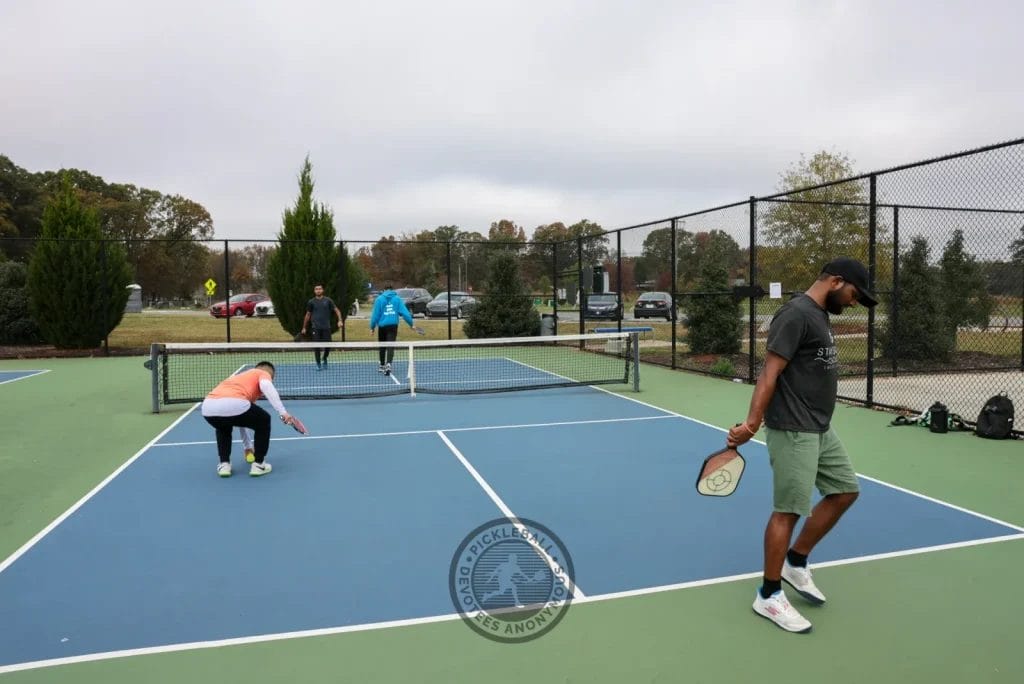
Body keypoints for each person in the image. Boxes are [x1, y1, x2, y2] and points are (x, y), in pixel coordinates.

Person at [727, 257, 878, 634]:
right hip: (794, 428)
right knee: (788, 512)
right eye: (854, 294)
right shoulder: (795, 314)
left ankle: (796, 561)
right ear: (836, 282)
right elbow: (769, 373)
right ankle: (769, 594)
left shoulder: (818, 314)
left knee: (844, 491)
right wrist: (751, 424)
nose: (854, 302)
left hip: (820, 427)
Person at [201, 361, 297, 477]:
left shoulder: (238, 378)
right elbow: (266, 386)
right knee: (264, 420)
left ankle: (224, 464)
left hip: (208, 407)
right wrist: (283, 413)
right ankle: (259, 464)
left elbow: (241, 420)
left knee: (223, 428)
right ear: (272, 375)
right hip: (234, 404)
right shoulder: (262, 373)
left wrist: (248, 447)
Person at [369, 283, 415, 375]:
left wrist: (372, 327)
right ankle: (388, 364)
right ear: (392, 289)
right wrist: (411, 324)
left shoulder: (379, 299)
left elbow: (375, 315)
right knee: (390, 345)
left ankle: (382, 365)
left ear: (384, 290)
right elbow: (405, 313)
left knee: (382, 346)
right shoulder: (397, 299)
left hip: (382, 326)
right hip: (393, 326)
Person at [300, 284, 344, 370]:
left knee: (328, 345)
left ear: (322, 290)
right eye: (316, 289)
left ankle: (324, 358)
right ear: (314, 291)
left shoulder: (328, 301)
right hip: (315, 328)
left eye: (320, 289)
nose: (318, 290)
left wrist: (340, 320)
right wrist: (304, 327)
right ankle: (318, 363)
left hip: (326, 327)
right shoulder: (311, 302)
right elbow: (308, 315)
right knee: (316, 346)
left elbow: (337, 310)